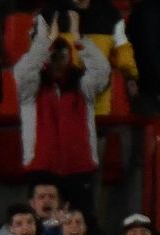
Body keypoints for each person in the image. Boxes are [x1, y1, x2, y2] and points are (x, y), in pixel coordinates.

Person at [13, 17, 110, 222]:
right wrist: (43, 41)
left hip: (79, 169)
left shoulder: (83, 87)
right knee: (40, 225)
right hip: (41, 169)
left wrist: (78, 39)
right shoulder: (31, 88)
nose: (58, 59)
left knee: (82, 224)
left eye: (63, 54)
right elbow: (22, 72)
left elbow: (102, 71)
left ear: (70, 56)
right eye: (54, 55)